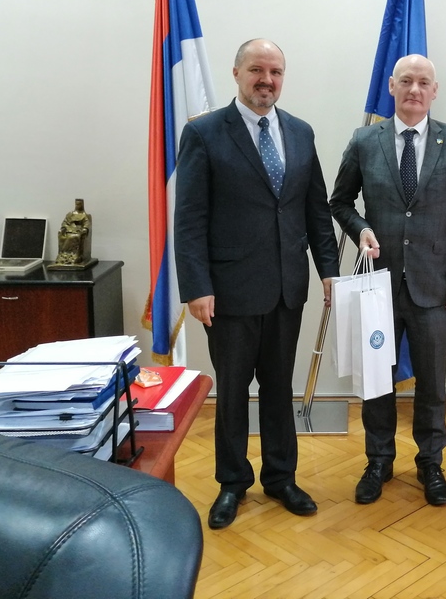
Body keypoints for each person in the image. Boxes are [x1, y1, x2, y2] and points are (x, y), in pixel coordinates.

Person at [174, 38, 340, 529]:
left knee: (278, 386)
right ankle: (232, 482)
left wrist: (328, 270)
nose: (267, 80)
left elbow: (315, 209)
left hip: (288, 288)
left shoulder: (301, 132)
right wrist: (196, 286)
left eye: (276, 72)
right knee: (232, 391)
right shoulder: (204, 133)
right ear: (236, 73)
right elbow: (189, 219)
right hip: (229, 291)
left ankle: (281, 477)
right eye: (257, 70)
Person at [330, 54, 446, 507]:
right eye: (407, 81)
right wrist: (361, 229)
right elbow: (339, 202)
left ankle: (430, 462)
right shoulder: (365, 140)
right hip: (377, 287)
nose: (415, 89)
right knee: (377, 379)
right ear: (392, 87)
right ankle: (378, 461)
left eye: (424, 83)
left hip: (435, 286)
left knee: (433, 383)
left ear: (434, 91)